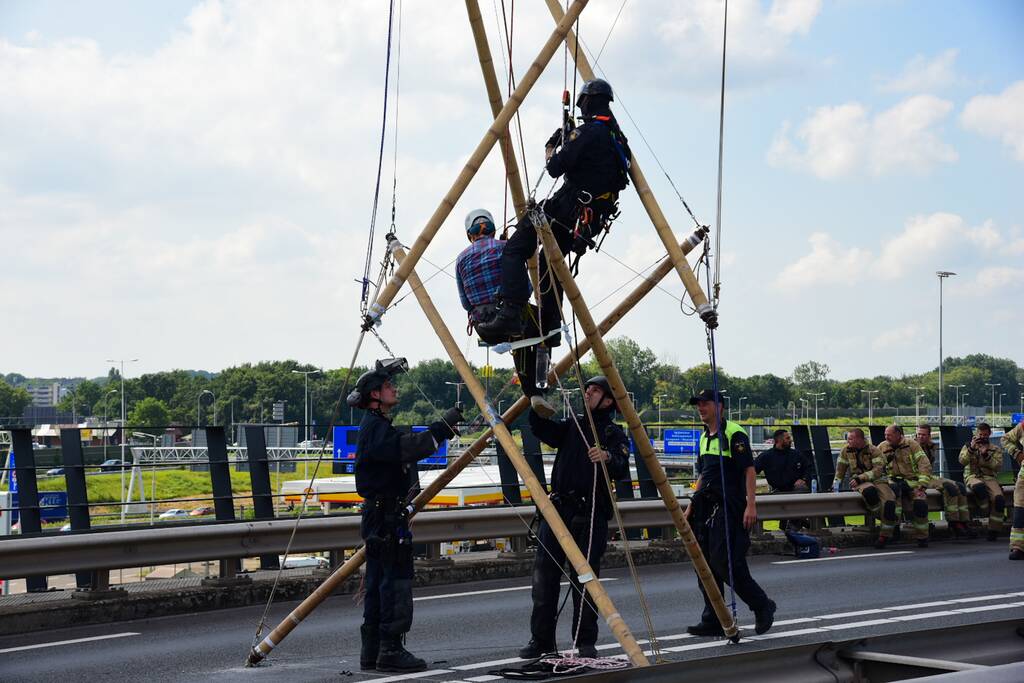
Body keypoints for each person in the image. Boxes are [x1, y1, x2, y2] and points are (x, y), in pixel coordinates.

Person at [477, 79, 632, 342]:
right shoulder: (616, 137)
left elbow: (554, 168)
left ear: (586, 103)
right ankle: (550, 326)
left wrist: (553, 145)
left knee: (515, 248)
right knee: (548, 262)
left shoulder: (587, 133)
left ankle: (511, 312)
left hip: (569, 207)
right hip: (590, 218)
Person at [346, 358, 464, 673]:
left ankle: (372, 651)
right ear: (374, 395)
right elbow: (407, 448)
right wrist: (442, 428)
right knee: (394, 582)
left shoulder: (374, 426)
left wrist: (441, 430)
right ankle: (390, 650)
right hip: (386, 517)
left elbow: (403, 447)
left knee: (377, 581)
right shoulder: (376, 429)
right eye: (388, 386)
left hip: (380, 515)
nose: (394, 389)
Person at [519, 375, 630, 660]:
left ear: (608, 400)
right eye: (587, 388)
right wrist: (535, 403)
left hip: (589, 513)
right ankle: (541, 640)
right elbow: (544, 430)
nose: (587, 393)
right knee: (544, 578)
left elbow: (621, 465)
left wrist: (607, 457)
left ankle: (585, 642)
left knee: (586, 581)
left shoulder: (613, 434)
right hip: (557, 511)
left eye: (595, 390)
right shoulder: (573, 425)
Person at [684, 389, 775, 638]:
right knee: (703, 564)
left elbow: (749, 471)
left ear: (719, 406)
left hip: (729, 506)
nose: (700, 408)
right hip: (705, 507)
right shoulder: (703, 437)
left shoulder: (734, 433)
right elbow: (703, 474)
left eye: (705, 403)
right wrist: (691, 506)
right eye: (698, 404)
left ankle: (762, 605)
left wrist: (751, 505)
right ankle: (713, 618)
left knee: (726, 563)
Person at [456, 208, 555, 418]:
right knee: (543, 326)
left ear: (469, 234)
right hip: (513, 317)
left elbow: (465, 303)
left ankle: (534, 392)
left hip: (484, 327)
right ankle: (537, 386)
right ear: (492, 229)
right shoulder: (507, 248)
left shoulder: (460, 259)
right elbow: (526, 289)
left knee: (519, 337)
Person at [833, 428, 898, 549]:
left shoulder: (874, 451)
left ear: (859, 439)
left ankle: (885, 536)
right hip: (860, 483)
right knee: (869, 492)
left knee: (889, 503)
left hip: (878, 480)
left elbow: (878, 470)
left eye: (850, 439)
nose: (848, 441)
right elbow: (840, 470)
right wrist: (835, 485)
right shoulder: (845, 451)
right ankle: (885, 518)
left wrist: (862, 477)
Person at [878, 424, 932, 548]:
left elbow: (924, 465)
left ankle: (923, 537)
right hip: (892, 482)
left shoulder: (912, 445)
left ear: (898, 435)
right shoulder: (881, 447)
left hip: (912, 481)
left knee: (920, 503)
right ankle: (889, 534)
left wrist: (922, 485)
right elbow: (875, 468)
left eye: (889, 435)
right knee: (891, 504)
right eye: (885, 434)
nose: (886, 437)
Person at [914, 424, 972, 538]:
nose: (920, 437)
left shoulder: (931, 446)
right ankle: (954, 522)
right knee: (948, 487)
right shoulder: (912, 447)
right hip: (919, 477)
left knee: (960, 486)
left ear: (929, 436)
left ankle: (964, 521)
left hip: (929, 476)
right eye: (919, 434)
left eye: (923, 435)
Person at [959, 422, 1005, 542]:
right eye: (980, 434)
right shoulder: (968, 446)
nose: (983, 437)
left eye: (985, 435)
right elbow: (962, 461)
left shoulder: (995, 449)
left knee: (999, 499)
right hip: (972, 476)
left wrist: (986, 455)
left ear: (989, 434)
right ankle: (985, 510)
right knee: (979, 488)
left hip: (989, 477)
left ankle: (993, 530)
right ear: (976, 434)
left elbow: (998, 466)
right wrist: (971, 449)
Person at [1000, 420, 1024, 560]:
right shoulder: (1022, 426)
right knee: (1019, 511)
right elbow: (1005, 439)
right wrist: (1016, 453)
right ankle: (1018, 547)